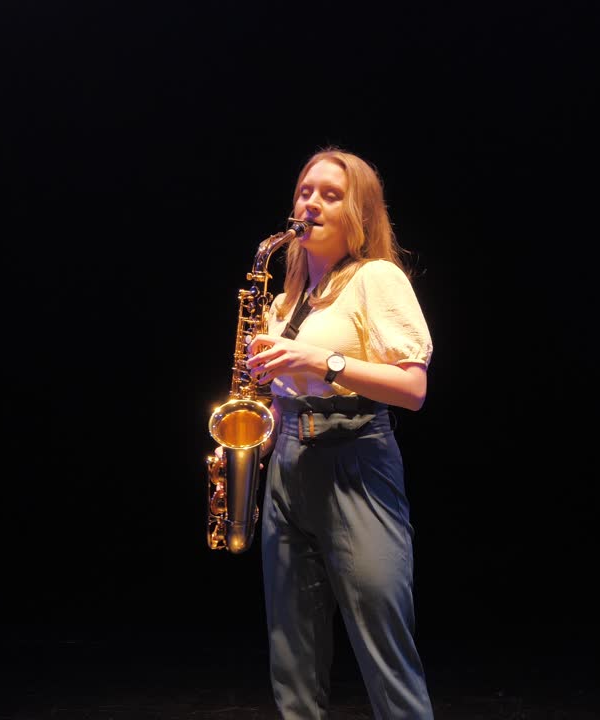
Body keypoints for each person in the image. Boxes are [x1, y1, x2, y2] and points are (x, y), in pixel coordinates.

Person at [244, 147, 435, 719]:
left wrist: (323, 361)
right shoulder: (284, 301)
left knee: (383, 646)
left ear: (360, 213)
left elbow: (413, 389)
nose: (312, 203)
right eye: (305, 192)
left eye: (331, 194)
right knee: (292, 658)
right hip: (287, 466)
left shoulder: (376, 277)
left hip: (354, 459)